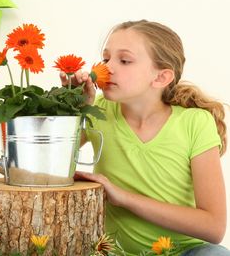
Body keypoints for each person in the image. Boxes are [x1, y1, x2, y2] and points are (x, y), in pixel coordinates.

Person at [63, 20, 229, 255]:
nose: (107, 67)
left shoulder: (195, 122)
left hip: (185, 251)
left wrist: (124, 198)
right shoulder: (98, 111)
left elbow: (214, 228)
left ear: (161, 78)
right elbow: (50, 168)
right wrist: (74, 107)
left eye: (124, 60)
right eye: (106, 58)